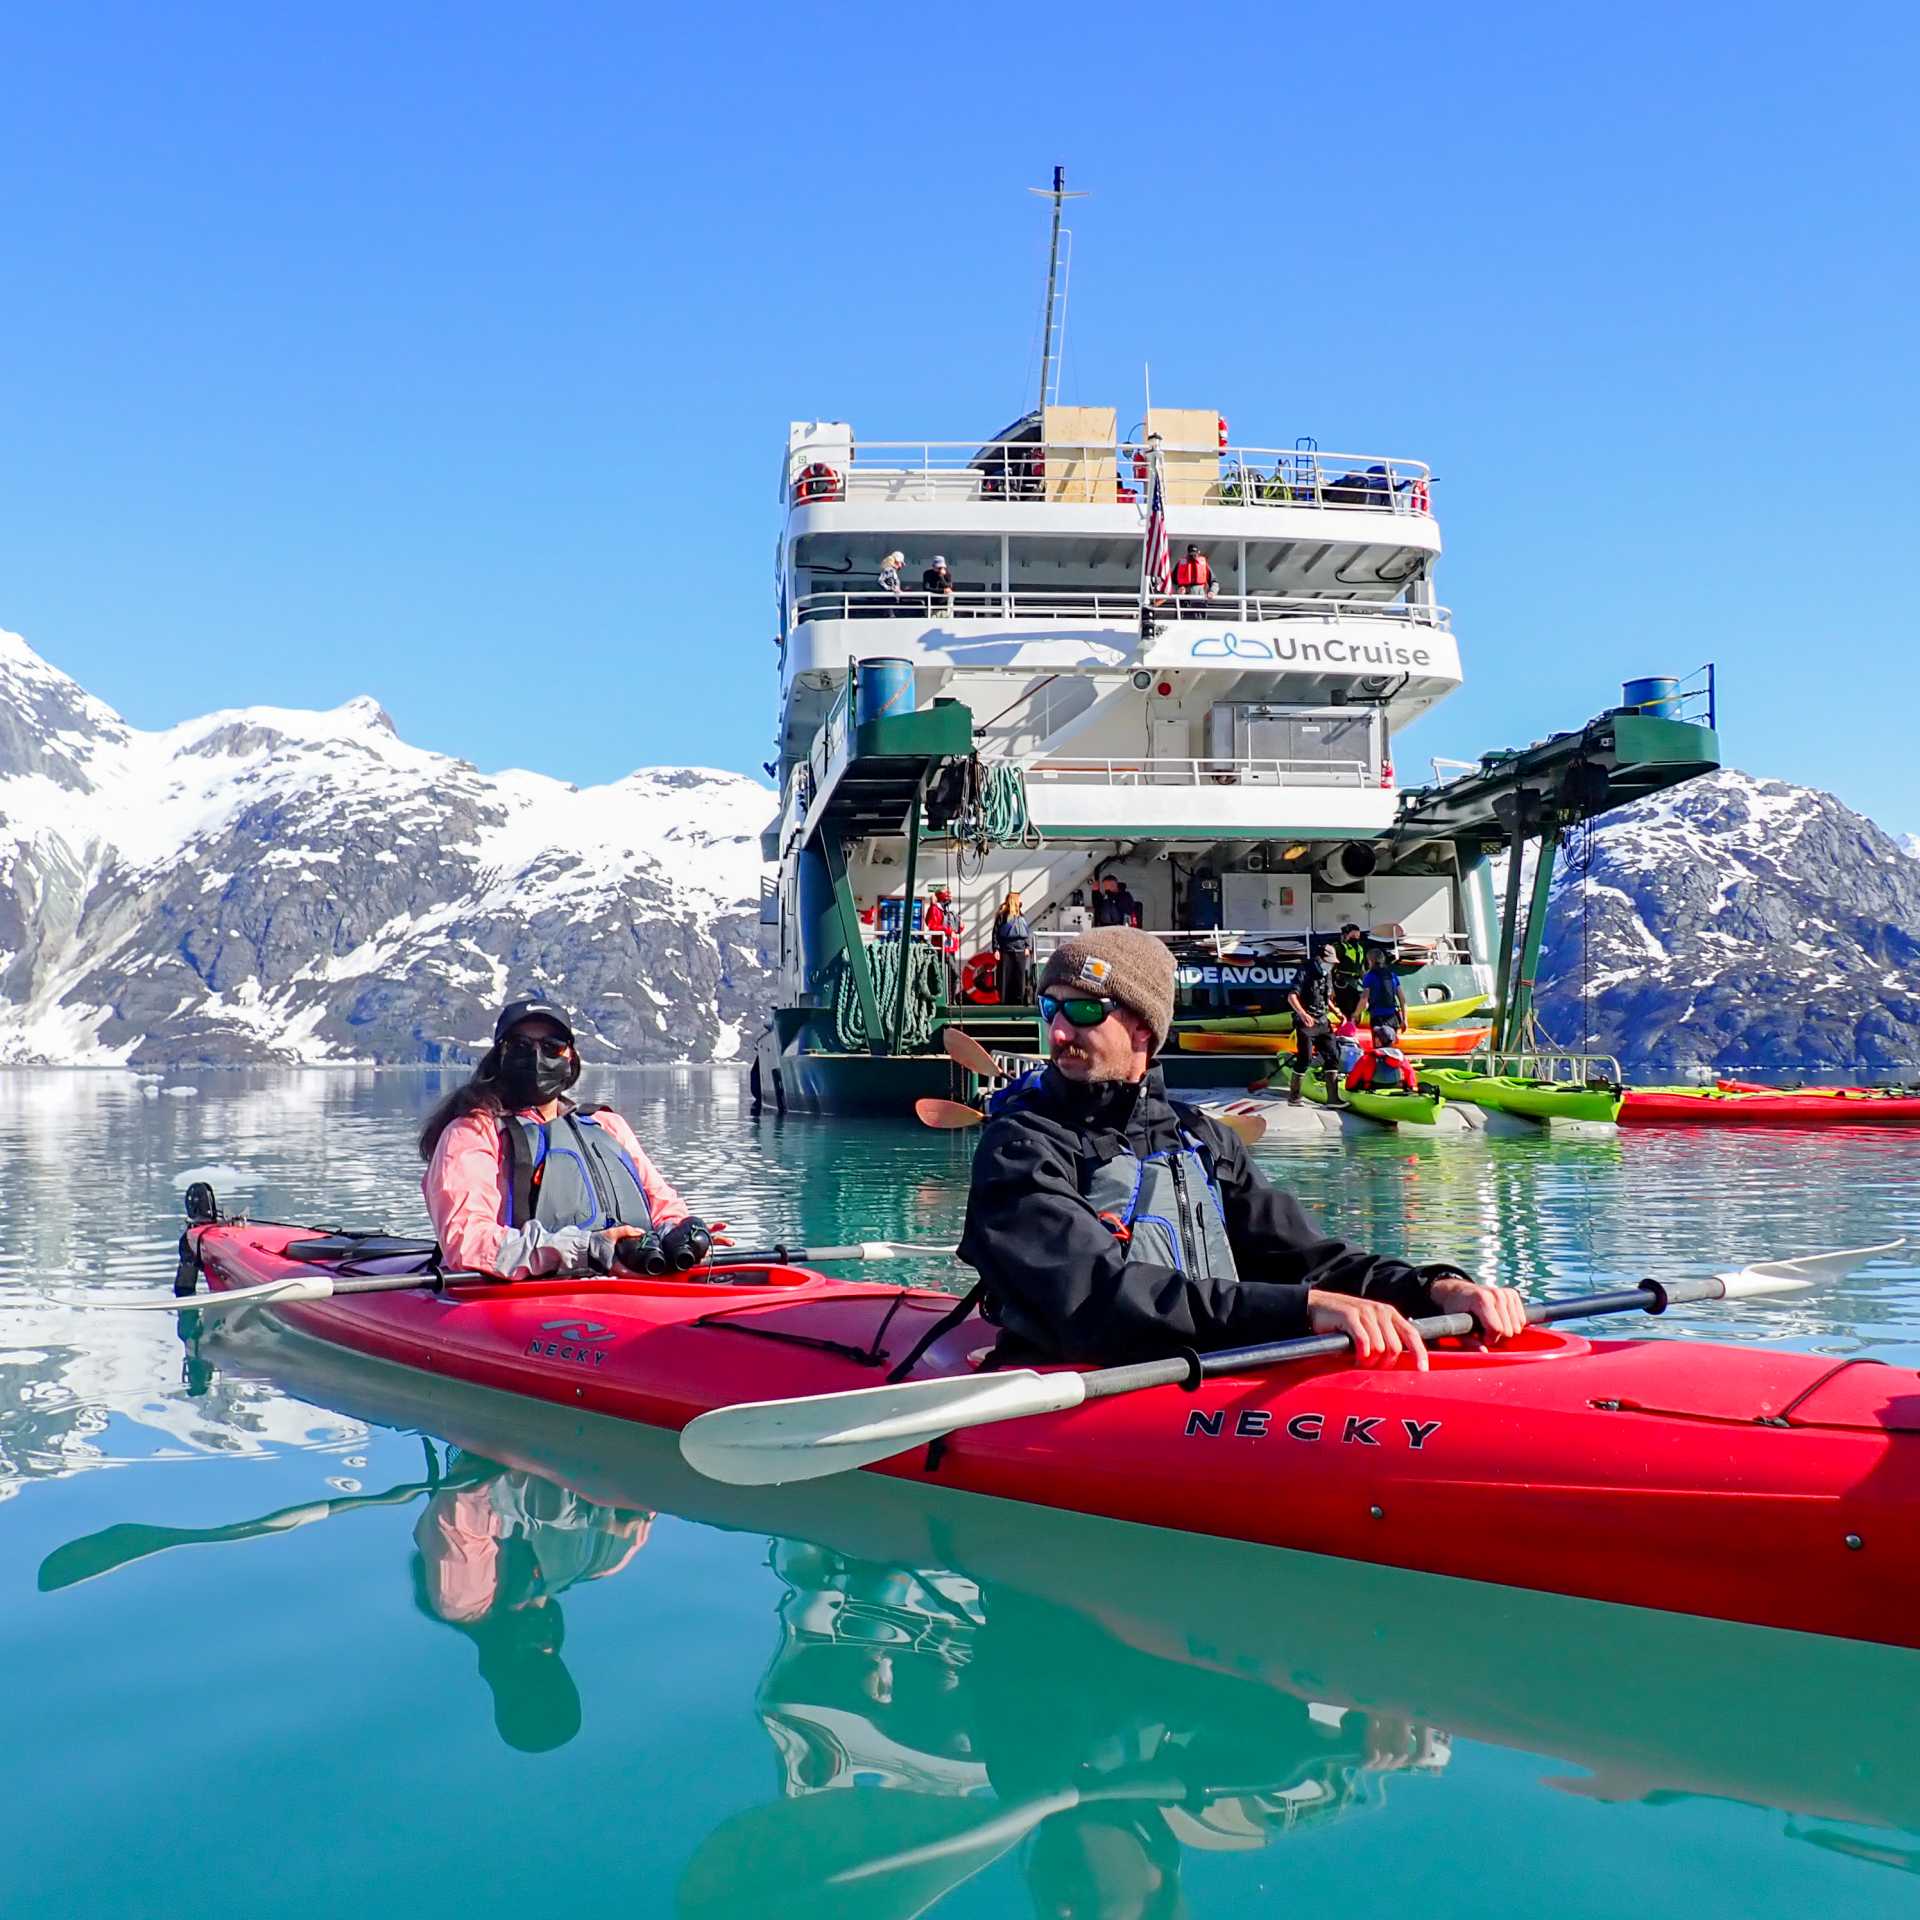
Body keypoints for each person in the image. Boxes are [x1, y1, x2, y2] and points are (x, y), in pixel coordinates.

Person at [955, 929, 1524, 1367]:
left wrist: (1432, 1289)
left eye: (1082, 1011)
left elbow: (1311, 1261)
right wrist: (1297, 1311)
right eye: (1050, 1009)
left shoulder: (1200, 1137)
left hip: (1205, 1365)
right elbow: (1095, 1299)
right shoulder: (1021, 1146)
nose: (1057, 1031)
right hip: (1078, 1379)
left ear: (1143, 1028)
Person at [419, 995, 709, 1279]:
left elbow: (662, 1203)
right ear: (500, 1057)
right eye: (519, 1045)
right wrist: (588, 1249)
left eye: (552, 1047)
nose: (536, 1057)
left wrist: (677, 1233)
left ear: (570, 1056)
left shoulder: (606, 1124)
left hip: (635, 1278)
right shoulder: (471, 1132)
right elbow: (466, 1243)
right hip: (529, 1295)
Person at [1286, 937, 1348, 1107]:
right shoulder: (1305, 971)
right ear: (1320, 959)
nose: (1331, 965)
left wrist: (1336, 1012)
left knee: (1333, 1055)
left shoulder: (1327, 973)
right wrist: (1302, 1013)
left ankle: (1333, 1099)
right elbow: (1292, 996)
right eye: (1328, 962)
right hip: (1306, 1023)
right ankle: (1294, 1097)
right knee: (1305, 1058)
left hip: (1322, 1021)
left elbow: (1326, 997)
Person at [1348, 1023, 1419, 1095]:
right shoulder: (1400, 1056)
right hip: (1396, 1085)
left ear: (1379, 1041)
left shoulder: (1369, 1056)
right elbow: (1410, 1072)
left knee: (1357, 1081)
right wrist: (1411, 1087)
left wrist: (1349, 1088)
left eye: (1376, 1037)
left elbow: (1355, 1074)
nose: (1375, 1039)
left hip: (1372, 1086)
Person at [993, 891, 1033, 1007]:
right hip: (1006, 950)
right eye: (1019, 899)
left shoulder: (1021, 916)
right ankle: (1005, 1002)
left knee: (1020, 977)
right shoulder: (1002, 916)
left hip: (1020, 950)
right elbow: (995, 933)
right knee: (1005, 977)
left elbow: (1026, 933)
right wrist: (996, 949)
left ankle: (1019, 1000)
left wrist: (1027, 947)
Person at [1361, 943, 1408, 1036]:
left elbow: (1364, 999)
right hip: (1393, 1018)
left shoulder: (1369, 977)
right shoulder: (1392, 975)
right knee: (1390, 1044)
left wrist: (1355, 1014)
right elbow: (1402, 1000)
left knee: (1380, 1048)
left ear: (1370, 961)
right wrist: (1405, 1019)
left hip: (1378, 1018)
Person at [1330, 922, 1367, 1023]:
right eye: (1353, 935)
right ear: (1345, 935)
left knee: (1356, 1008)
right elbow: (1330, 969)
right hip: (1342, 983)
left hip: (1355, 983)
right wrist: (1331, 989)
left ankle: (1352, 1027)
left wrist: (1367, 984)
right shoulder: (1339, 948)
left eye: (1357, 936)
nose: (1355, 938)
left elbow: (1361, 969)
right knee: (1347, 1008)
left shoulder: (1360, 949)